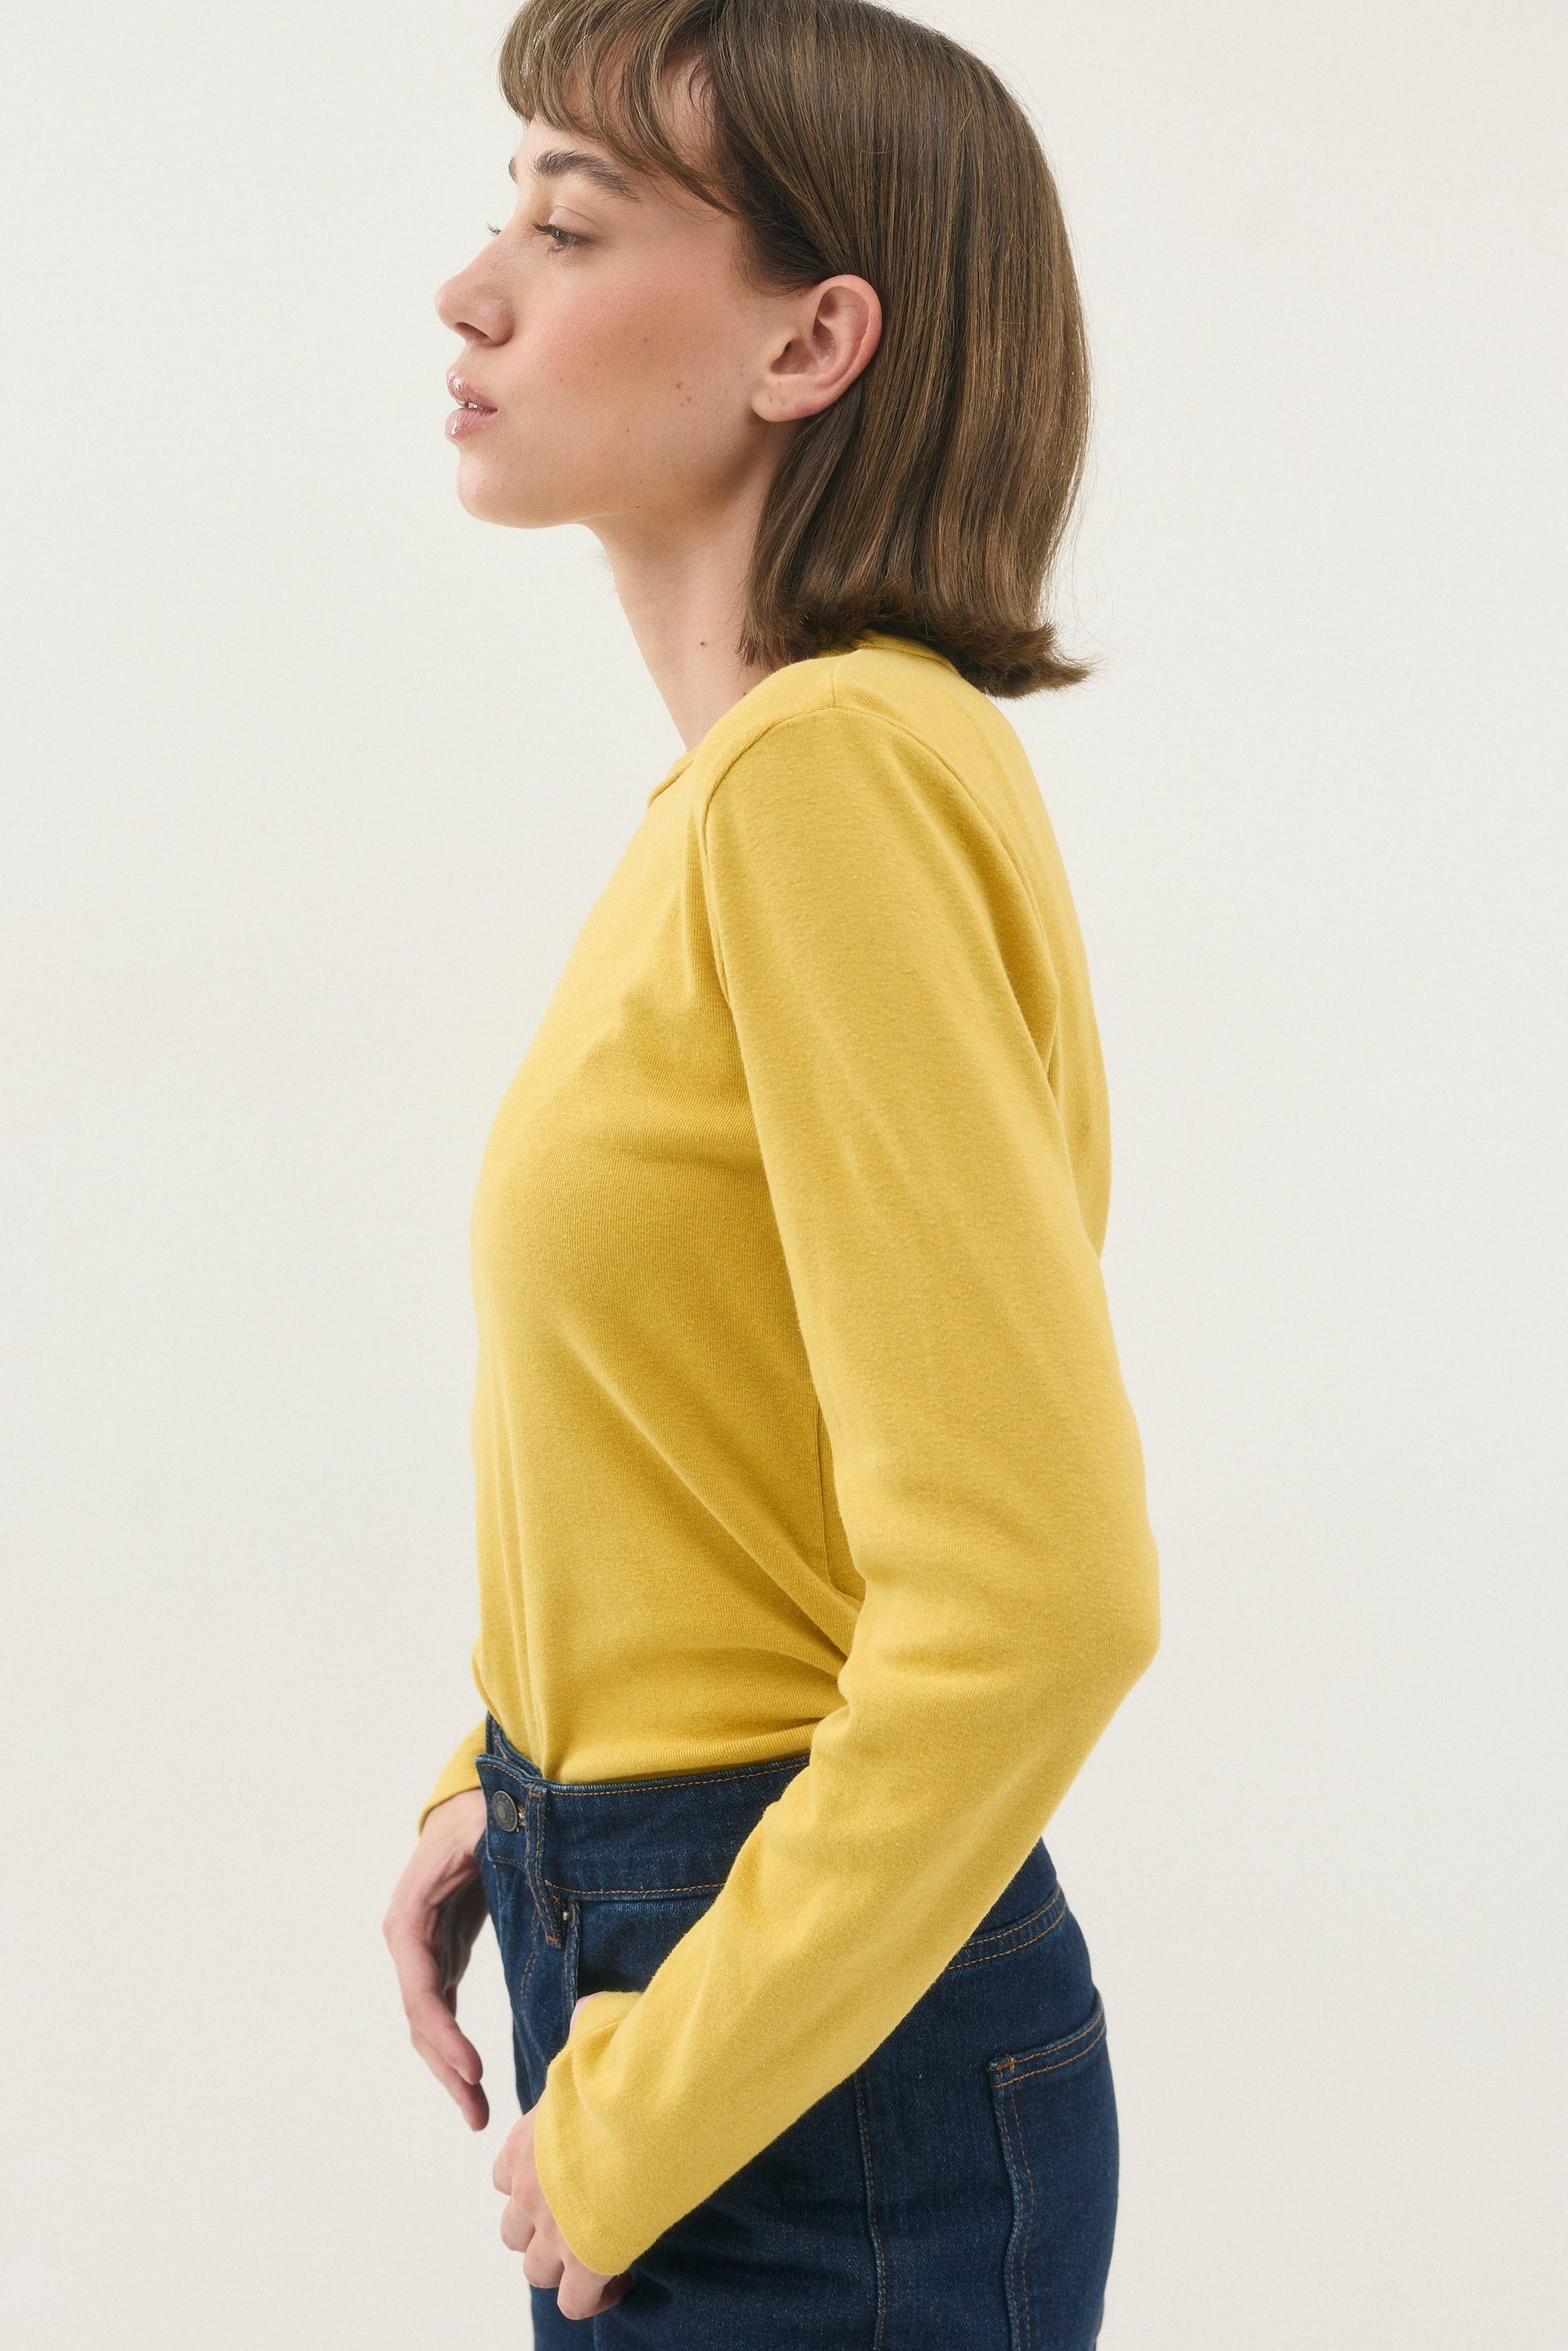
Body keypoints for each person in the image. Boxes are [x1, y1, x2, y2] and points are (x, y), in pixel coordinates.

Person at [381, 2, 1160, 2341]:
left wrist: (656, 2096)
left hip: (798, 2068)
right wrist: (508, 1779)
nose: (471, 288)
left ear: (813, 342)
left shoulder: (827, 778)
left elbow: (1038, 1596)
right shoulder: (786, 782)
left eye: (570, 221)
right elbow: (734, 1441)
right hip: (712, 1955)